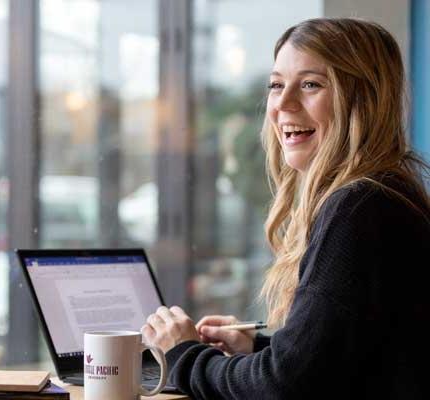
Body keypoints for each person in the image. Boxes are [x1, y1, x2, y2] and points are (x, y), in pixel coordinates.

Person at [141, 18, 430, 399]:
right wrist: (259, 348)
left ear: (363, 98)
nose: (283, 104)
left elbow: (285, 386)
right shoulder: (385, 194)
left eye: (310, 84)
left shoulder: (360, 207)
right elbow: (343, 363)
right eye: (277, 85)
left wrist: (181, 354)